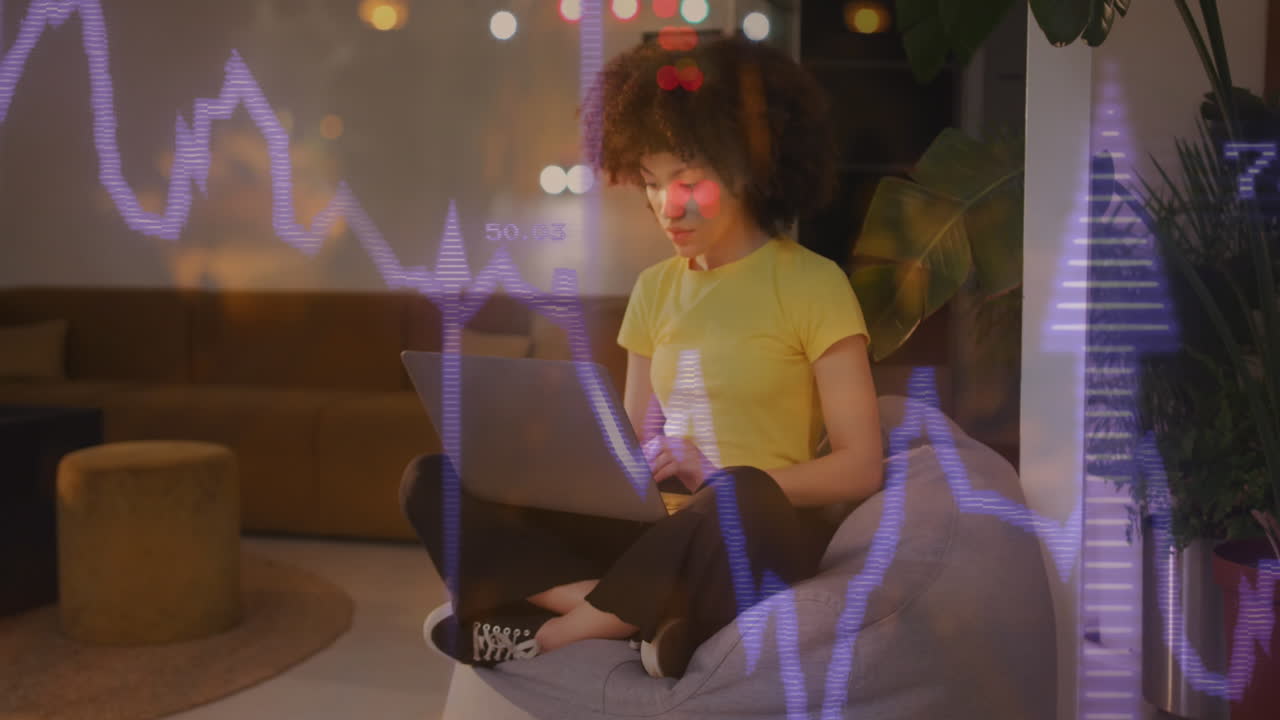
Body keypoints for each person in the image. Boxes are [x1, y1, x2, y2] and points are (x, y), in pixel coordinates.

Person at [399, 32, 884, 679]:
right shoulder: (656, 289)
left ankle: (552, 631)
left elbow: (860, 468)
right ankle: (631, 620)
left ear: (747, 171)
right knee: (432, 479)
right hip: (654, 534)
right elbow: (628, 443)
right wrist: (557, 467)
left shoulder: (814, 284)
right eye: (651, 183)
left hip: (746, 534)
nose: (664, 206)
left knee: (743, 495)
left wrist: (715, 475)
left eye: (686, 182)